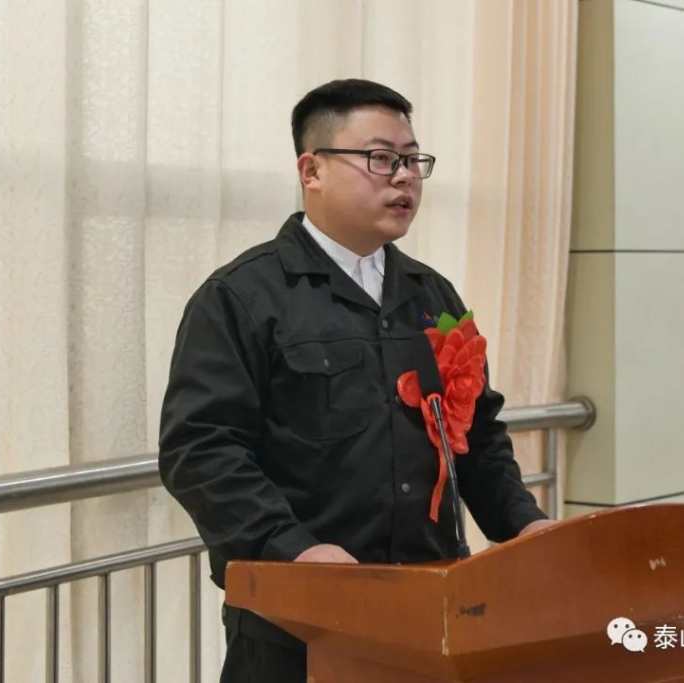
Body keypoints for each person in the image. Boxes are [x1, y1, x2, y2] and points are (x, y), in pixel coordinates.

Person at [158, 78, 556, 683]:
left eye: (413, 160)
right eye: (381, 158)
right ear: (312, 170)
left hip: (431, 604)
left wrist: (525, 526)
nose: (404, 178)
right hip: (296, 620)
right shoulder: (242, 297)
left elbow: (474, 433)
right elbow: (201, 450)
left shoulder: (432, 295)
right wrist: (293, 547)